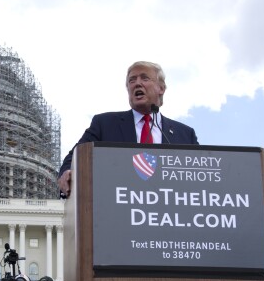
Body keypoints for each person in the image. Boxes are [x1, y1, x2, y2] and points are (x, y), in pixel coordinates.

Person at [58, 61, 199, 196]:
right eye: (132, 80)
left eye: (144, 78)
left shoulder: (186, 134)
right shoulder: (105, 124)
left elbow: (200, 175)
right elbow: (75, 157)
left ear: (161, 88)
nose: (137, 83)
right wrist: (67, 172)